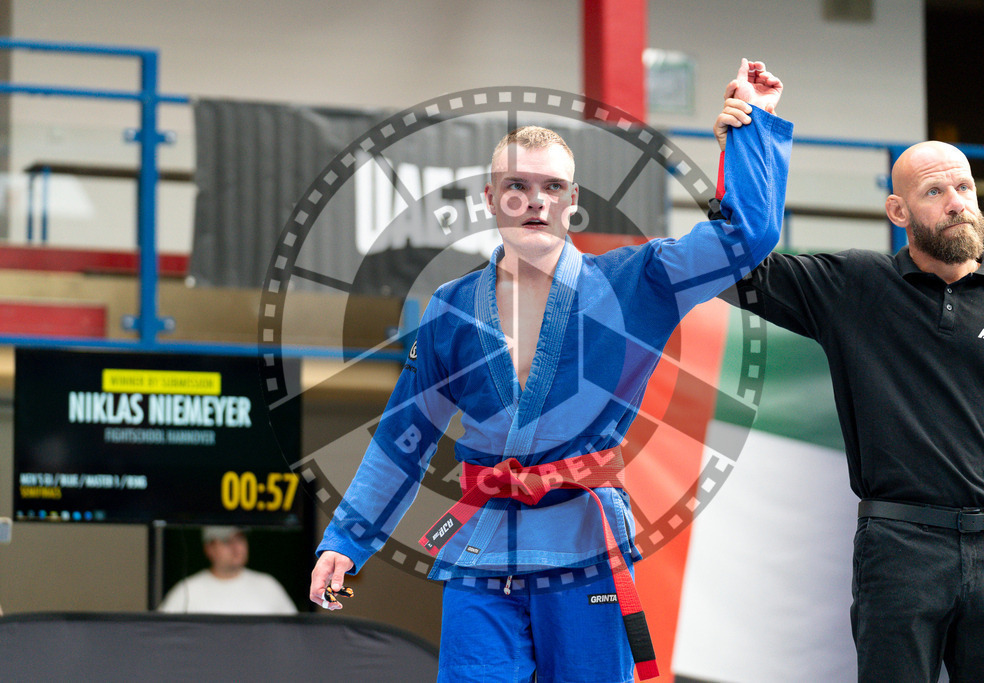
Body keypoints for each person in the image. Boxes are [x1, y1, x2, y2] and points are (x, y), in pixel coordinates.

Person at [310, 58, 791, 682]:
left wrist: (752, 130)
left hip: (585, 549)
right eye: (516, 186)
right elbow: (406, 437)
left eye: (551, 188)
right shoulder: (452, 307)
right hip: (483, 556)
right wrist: (345, 542)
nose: (534, 201)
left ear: (571, 201)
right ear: (490, 198)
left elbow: (746, 237)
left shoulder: (633, 283)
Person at [716, 130, 984, 678]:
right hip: (902, 548)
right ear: (897, 211)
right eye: (934, 192)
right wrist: (750, 142)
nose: (956, 202)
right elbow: (735, 267)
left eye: (964, 187)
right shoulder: (857, 284)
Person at [159, 526, 297, 615]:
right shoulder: (187, 590)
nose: (236, 547)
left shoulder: (268, 585)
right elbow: (161, 635)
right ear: (209, 549)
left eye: (240, 539)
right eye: (226, 541)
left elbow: (295, 635)